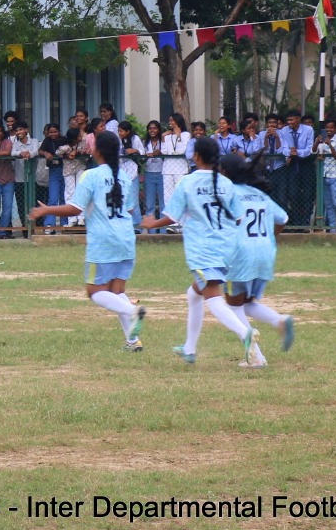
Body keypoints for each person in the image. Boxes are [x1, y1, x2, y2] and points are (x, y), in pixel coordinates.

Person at [141, 136, 259, 365]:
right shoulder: (225, 183)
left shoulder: (188, 182)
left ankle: (245, 333)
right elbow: (239, 217)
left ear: (195, 156)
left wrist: (151, 223)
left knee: (213, 298)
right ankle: (189, 349)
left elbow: (171, 217)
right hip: (226, 249)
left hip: (203, 250)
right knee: (193, 294)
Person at [30, 130, 146, 352]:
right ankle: (132, 341)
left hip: (103, 240)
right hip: (126, 238)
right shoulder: (123, 176)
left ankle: (132, 311)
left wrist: (47, 210)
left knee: (94, 292)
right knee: (116, 292)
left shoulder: (90, 175)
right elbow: (130, 209)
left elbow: (75, 208)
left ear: (97, 151)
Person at [220, 153, 295, 368]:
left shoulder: (228, 193)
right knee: (247, 303)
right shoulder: (258, 194)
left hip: (240, 255)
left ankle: (256, 358)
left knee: (233, 307)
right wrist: (271, 238)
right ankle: (279, 320)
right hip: (264, 252)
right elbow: (283, 218)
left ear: (224, 172)